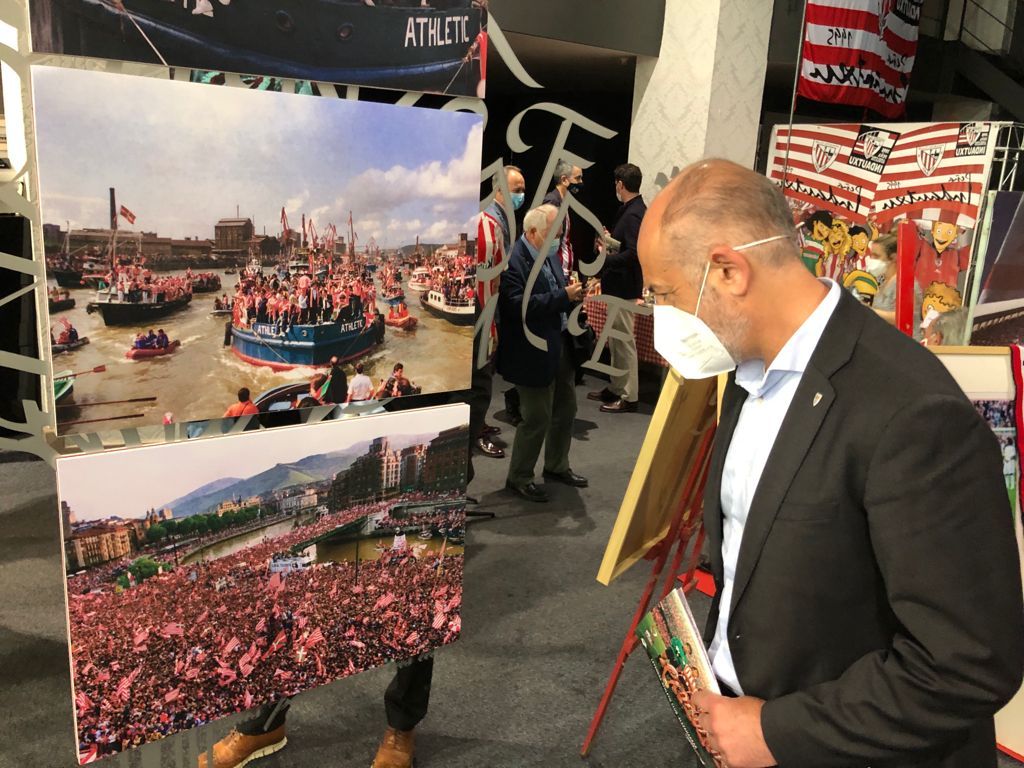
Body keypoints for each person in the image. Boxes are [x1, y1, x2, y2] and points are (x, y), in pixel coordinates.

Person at [637, 158, 1023, 768]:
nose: (660, 315)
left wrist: (777, 731)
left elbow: (968, 661)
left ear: (729, 271)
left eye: (665, 294)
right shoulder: (745, 370)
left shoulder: (912, 412)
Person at [497, 204, 587, 503]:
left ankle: (557, 465)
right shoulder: (513, 261)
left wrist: (571, 295)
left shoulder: (547, 257)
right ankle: (519, 477)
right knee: (536, 417)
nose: (558, 240)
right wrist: (563, 296)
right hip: (531, 350)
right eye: (553, 234)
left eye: (560, 235)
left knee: (566, 409)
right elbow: (517, 306)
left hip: (558, 344)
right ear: (532, 232)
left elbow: (554, 295)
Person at [469, 164, 526, 466]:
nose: (522, 196)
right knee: (481, 377)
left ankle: (476, 423)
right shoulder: (487, 225)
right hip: (484, 311)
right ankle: (474, 431)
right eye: (517, 190)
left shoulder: (499, 222)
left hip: (490, 309)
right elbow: (487, 279)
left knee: (485, 374)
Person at [589, 163, 647, 413]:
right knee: (615, 339)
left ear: (620, 184)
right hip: (618, 285)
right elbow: (624, 246)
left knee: (623, 341)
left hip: (624, 287)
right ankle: (616, 386)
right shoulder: (631, 209)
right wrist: (608, 242)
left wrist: (605, 257)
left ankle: (628, 395)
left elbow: (634, 253)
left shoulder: (634, 213)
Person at [870, 234, 925, 341]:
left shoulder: (906, 283)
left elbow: (903, 317)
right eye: (871, 255)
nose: (872, 259)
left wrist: (869, 311)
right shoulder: (884, 284)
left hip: (905, 344)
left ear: (893, 257)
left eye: (876, 256)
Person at [544, 160, 583, 281]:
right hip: (557, 271)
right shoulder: (552, 202)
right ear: (564, 180)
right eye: (578, 178)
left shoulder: (563, 201)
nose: (581, 182)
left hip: (563, 270)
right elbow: (547, 241)